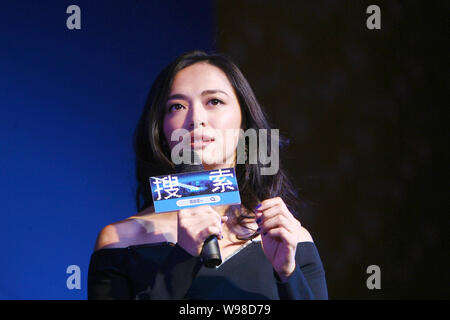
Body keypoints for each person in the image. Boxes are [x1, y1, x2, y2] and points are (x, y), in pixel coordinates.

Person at [88, 50, 328, 300]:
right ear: (160, 130)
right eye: (177, 106)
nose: (196, 119)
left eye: (214, 101)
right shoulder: (121, 242)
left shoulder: (289, 239)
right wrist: (182, 259)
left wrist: (288, 275)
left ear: (244, 123)